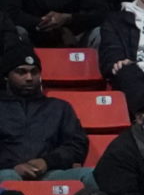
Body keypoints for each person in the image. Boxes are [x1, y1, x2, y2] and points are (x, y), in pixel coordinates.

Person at [0, 47, 86, 181]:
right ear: (7, 76)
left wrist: (47, 162)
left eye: (34, 72)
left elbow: (76, 145)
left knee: (90, 175)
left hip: (49, 173)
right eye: (21, 72)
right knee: (8, 177)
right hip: (6, 172)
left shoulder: (59, 107)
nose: (29, 78)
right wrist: (13, 166)